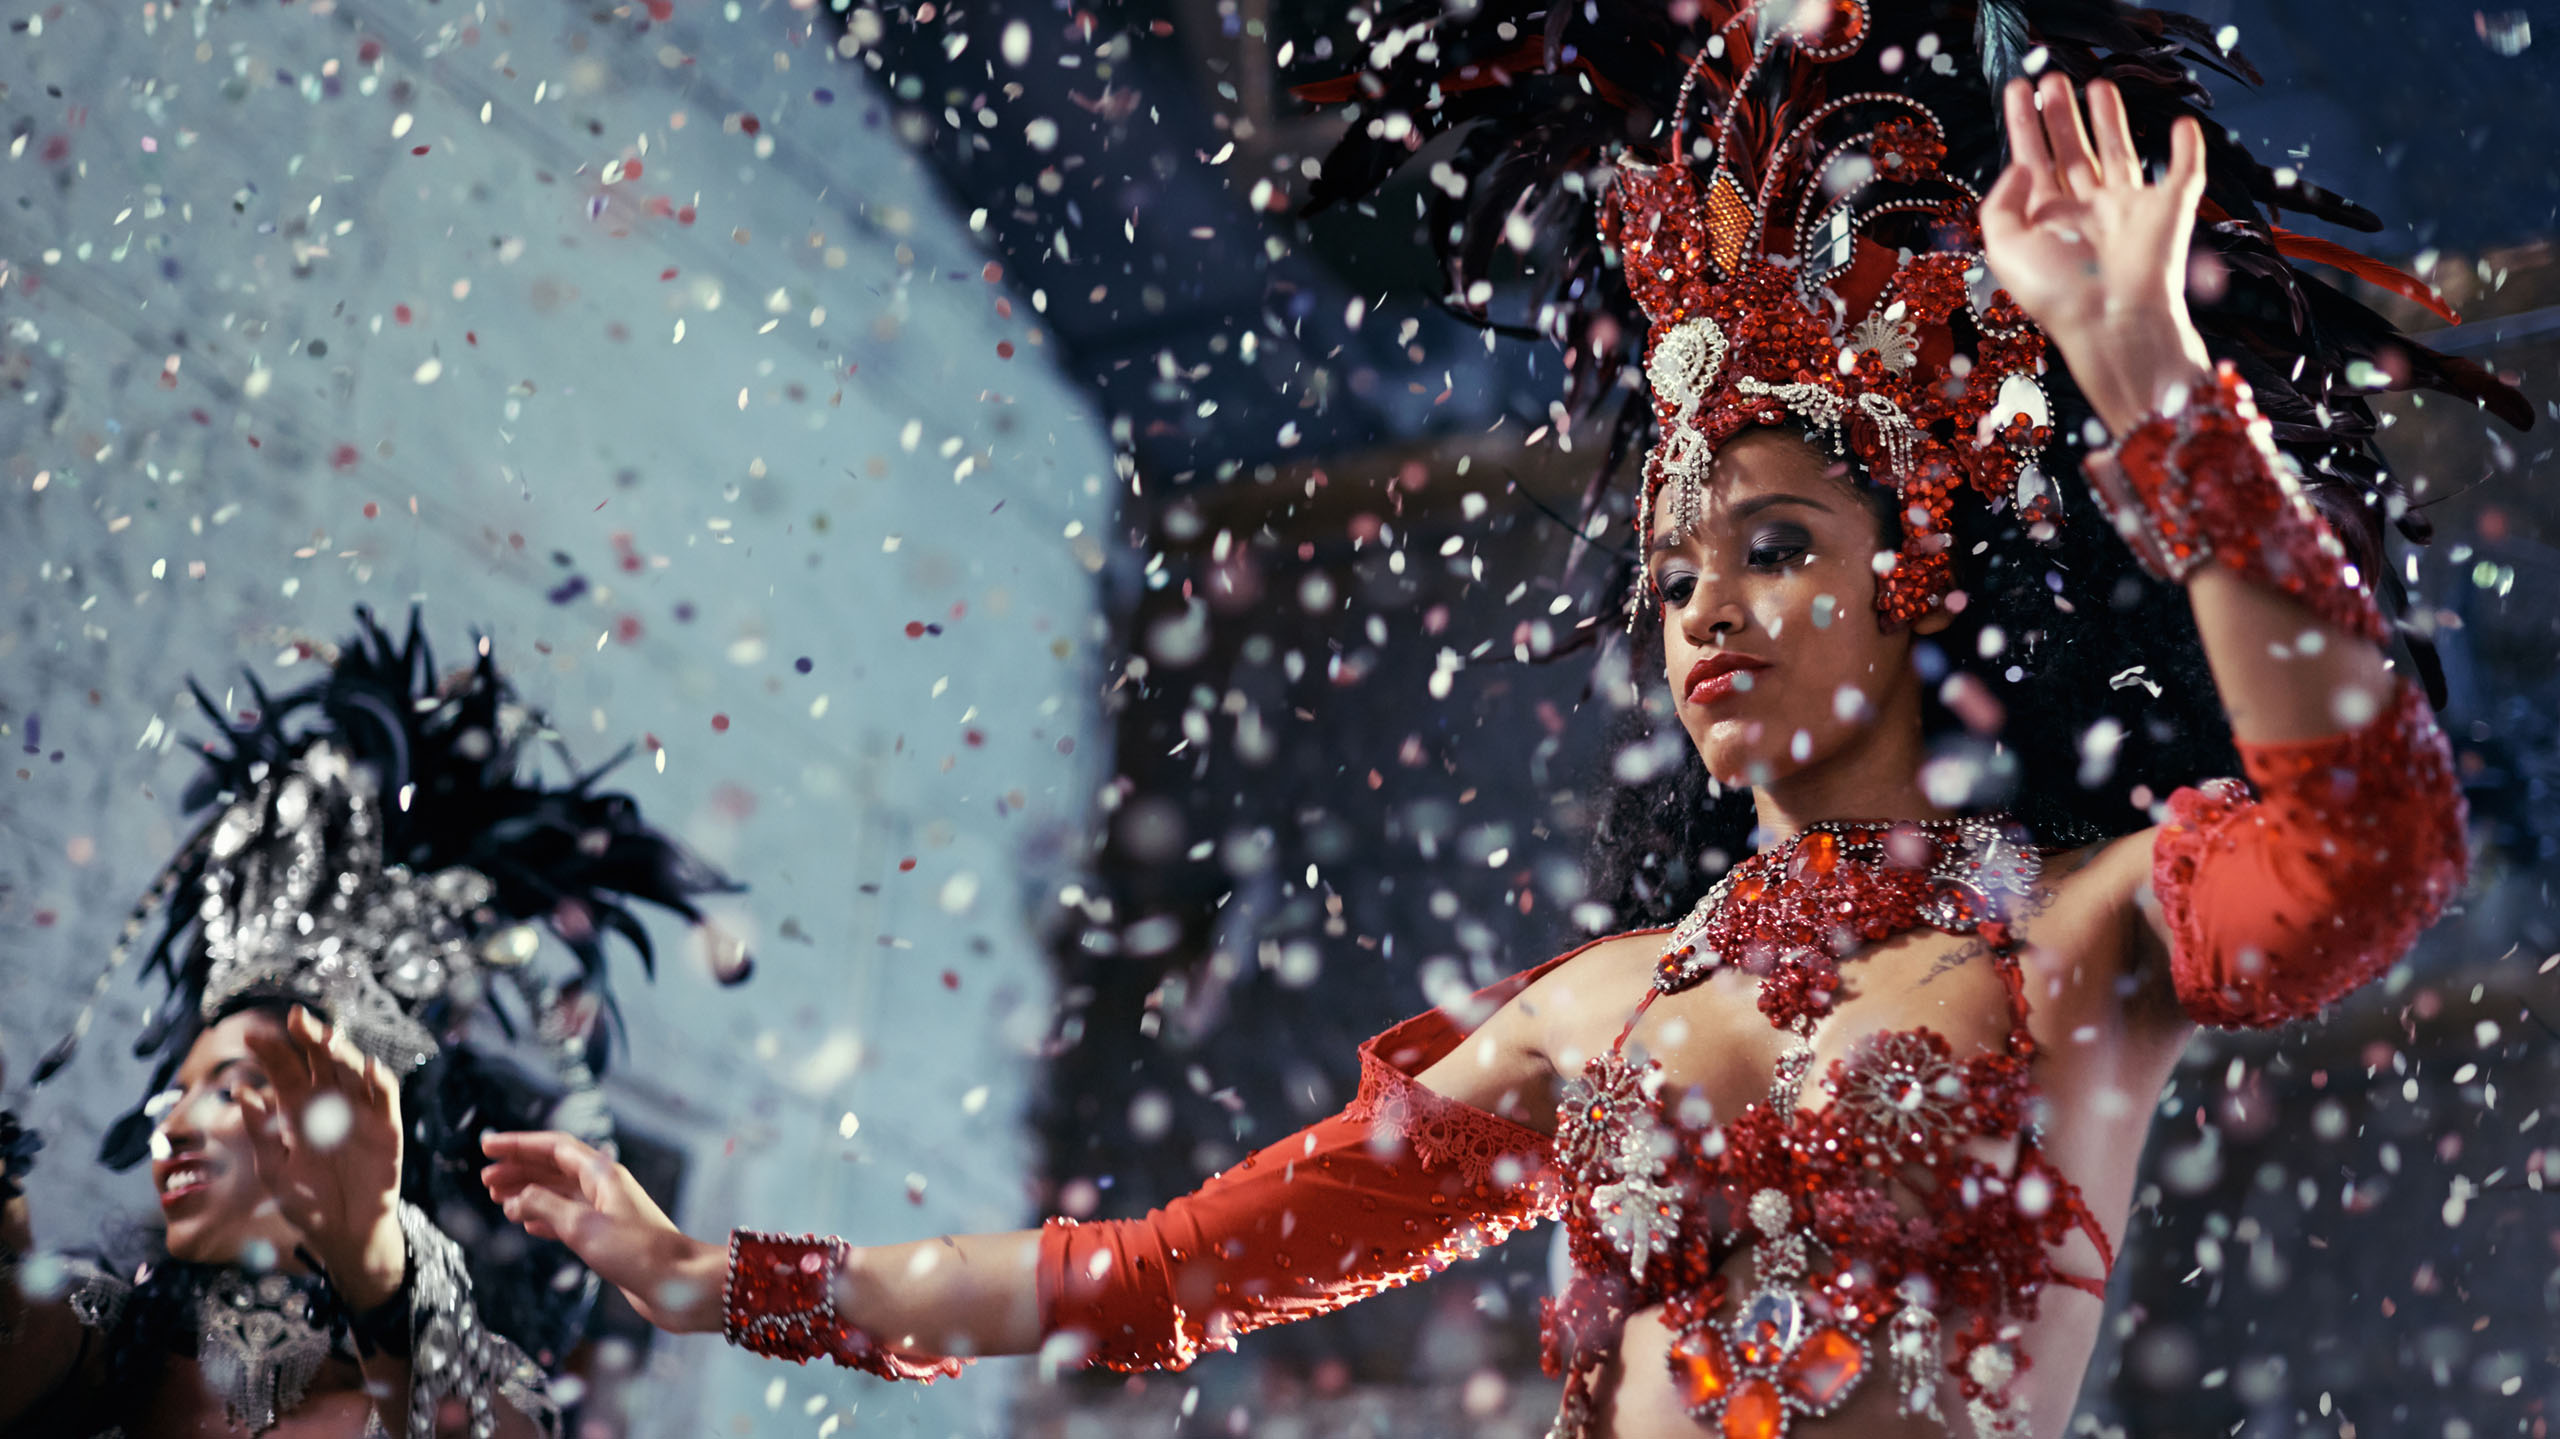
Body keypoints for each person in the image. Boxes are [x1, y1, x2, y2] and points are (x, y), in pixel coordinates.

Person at [473, 4, 2526, 1436]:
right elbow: (1157, 1271)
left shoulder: (2075, 940)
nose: (1705, 610)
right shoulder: (1591, 1012)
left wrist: (2151, 382)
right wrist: (712, 1276)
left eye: (1773, 548)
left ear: (1910, 581)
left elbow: (2374, 842)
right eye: (1672, 575)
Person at [0, 610, 746, 1438]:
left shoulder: (458, 1403)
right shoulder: (98, 1344)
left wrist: (378, 1267)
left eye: (236, 1084)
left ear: (369, 1121)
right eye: (174, 1094)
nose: (174, 1124)